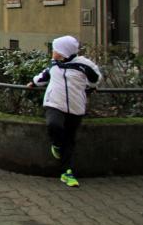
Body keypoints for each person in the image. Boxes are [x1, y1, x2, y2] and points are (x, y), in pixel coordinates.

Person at [28, 35, 101, 187]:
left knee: (69, 139)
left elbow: (95, 79)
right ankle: (56, 144)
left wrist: (91, 87)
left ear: (63, 52)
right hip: (54, 102)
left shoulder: (84, 65)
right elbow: (44, 76)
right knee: (54, 124)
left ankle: (67, 172)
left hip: (75, 106)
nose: (53, 52)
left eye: (55, 50)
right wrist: (33, 83)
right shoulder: (54, 64)